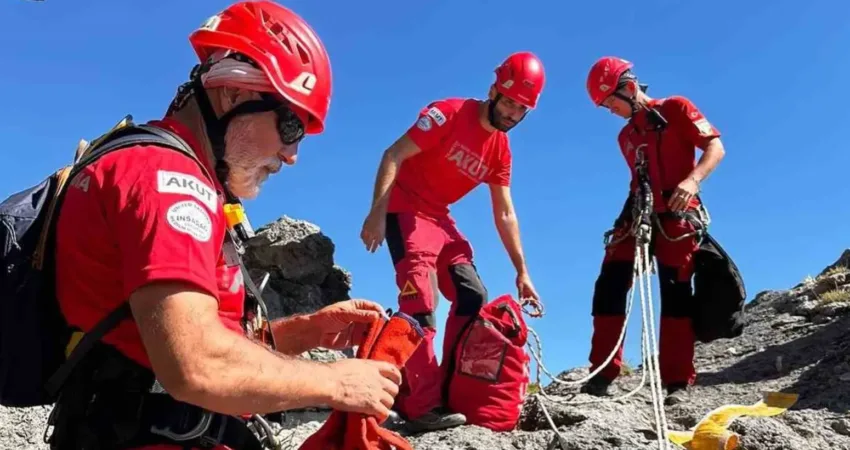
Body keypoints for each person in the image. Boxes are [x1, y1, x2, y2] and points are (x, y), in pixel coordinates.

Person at [47, 2, 403, 449]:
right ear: (234, 93)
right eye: (291, 126)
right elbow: (196, 363)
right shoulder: (170, 181)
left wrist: (305, 332)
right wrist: (337, 381)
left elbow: (180, 336)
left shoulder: (165, 172)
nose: (292, 155)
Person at [359, 51, 546, 432]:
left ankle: (449, 387)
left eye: (521, 108)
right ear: (493, 91)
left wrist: (522, 271)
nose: (512, 113)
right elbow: (393, 154)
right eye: (509, 102)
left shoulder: (501, 149)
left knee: (472, 295)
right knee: (421, 304)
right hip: (405, 210)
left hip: (440, 219)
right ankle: (419, 405)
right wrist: (377, 212)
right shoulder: (449, 114)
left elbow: (505, 212)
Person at [581, 56, 726, 405]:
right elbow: (638, 180)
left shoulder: (676, 108)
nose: (610, 111)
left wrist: (692, 181)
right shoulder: (626, 136)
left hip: (678, 212)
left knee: (676, 292)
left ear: (630, 88)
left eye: (610, 102)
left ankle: (676, 382)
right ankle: (602, 373)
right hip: (638, 211)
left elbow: (715, 146)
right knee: (609, 284)